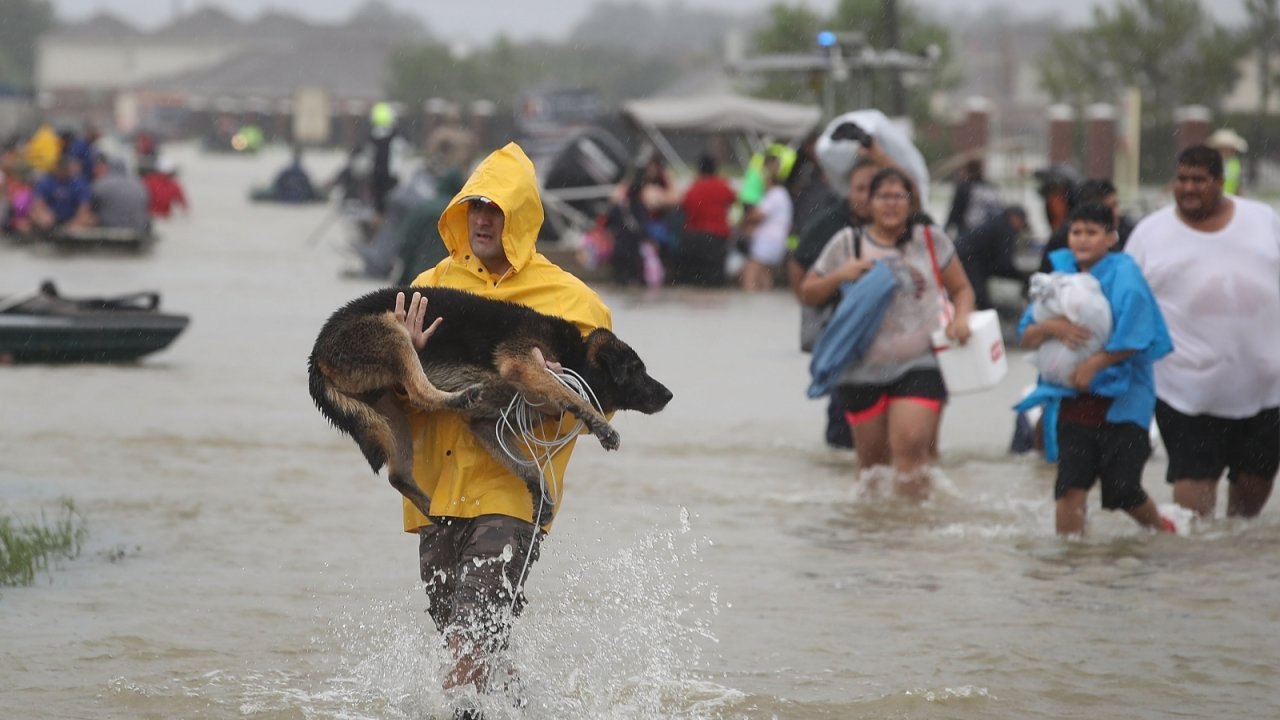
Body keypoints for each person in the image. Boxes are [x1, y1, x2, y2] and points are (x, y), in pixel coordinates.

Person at [394, 142, 612, 706]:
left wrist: (556, 387)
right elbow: (394, 399)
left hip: (514, 496)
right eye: (475, 207)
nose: (484, 220)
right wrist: (406, 360)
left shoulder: (571, 302)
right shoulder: (430, 287)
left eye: (496, 209)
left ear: (521, 217)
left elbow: (602, 401)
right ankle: (523, 709)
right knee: (471, 650)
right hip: (434, 497)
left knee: (470, 642)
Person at [799, 167, 976, 498]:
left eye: (899, 196)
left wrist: (961, 318)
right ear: (869, 202)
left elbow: (963, 289)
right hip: (860, 368)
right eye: (883, 196)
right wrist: (840, 275)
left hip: (920, 362)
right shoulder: (847, 243)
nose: (891, 204)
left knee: (911, 449)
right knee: (872, 468)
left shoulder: (929, 239)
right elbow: (808, 293)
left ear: (911, 203)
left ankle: (910, 534)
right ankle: (873, 538)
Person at [1126, 144, 1280, 519]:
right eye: (1182, 179)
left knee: (1250, 499)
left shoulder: (1263, 220)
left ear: (1219, 181)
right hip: (1185, 390)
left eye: (1199, 180)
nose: (1188, 188)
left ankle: (1229, 569)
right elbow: (1124, 302)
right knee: (1195, 515)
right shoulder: (1150, 233)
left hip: (1267, 387)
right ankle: (1195, 572)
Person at [1018, 202, 1175, 535]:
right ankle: (1069, 565)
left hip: (1124, 404)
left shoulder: (1125, 275)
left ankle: (1163, 531)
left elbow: (1140, 333)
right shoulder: (1058, 277)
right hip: (1074, 403)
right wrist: (1054, 327)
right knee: (1069, 490)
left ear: (1110, 237)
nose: (1082, 240)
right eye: (1076, 232)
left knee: (1123, 491)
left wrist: (1096, 363)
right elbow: (1027, 335)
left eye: (1092, 232)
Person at [788, 156, 884, 451]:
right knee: (843, 428)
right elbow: (799, 265)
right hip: (845, 342)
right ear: (849, 190)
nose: (866, 197)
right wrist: (816, 301)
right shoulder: (832, 228)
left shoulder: (905, 229)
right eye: (859, 189)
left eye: (874, 189)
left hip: (891, 348)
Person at [1037, 178, 1135, 274]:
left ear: (1110, 239)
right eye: (1111, 208)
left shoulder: (1129, 233)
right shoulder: (1060, 244)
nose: (1082, 240)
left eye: (1116, 205)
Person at [671, 154, 736, 286]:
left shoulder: (693, 188)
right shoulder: (722, 186)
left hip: (693, 240)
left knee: (692, 282)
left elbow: (684, 205)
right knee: (715, 284)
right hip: (716, 240)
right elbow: (733, 199)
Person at [394, 167, 465, 286]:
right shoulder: (461, 212)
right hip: (447, 279)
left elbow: (406, 243)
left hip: (417, 273)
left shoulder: (422, 208)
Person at [955, 204, 1028, 311]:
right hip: (969, 260)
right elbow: (1003, 265)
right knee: (979, 300)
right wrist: (1023, 277)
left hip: (963, 255)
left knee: (971, 296)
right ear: (1014, 217)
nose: (1021, 228)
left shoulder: (996, 223)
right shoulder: (1005, 230)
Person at [741, 155, 792, 291]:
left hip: (768, 241)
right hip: (777, 242)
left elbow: (756, 216)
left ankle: (749, 305)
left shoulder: (775, 194)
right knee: (764, 276)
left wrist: (744, 219)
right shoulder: (781, 194)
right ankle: (763, 306)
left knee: (750, 273)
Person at [89, 154, 150, 234]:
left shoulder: (100, 184)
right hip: (137, 232)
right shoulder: (139, 185)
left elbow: (87, 206)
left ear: (109, 167)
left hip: (110, 233)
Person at [31, 154, 93, 230]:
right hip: (52, 219)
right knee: (35, 215)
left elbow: (84, 206)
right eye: (62, 167)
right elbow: (38, 203)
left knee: (89, 219)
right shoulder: (47, 181)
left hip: (73, 219)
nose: (64, 169)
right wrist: (44, 214)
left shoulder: (79, 183)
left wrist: (76, 222)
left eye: (66, 167)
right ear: (57, 167)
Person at [945, 158, 1002, 240]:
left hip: (968, 232)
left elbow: (955, 210)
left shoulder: (964, 188)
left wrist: (947, 227)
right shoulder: (989, 187)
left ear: (968, 170)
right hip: (988, 233)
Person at [1208, 128, 1247, 196]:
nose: (1226, 151)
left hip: (1232, 199)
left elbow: (1238, 184)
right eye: (1224, 148)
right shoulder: (1210, 162)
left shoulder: (1236, 163)